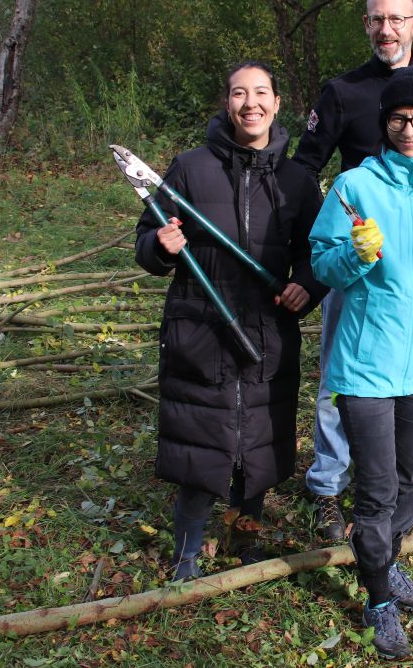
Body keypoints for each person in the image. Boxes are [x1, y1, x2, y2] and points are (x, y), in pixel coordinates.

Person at [309, 66, 413, 659]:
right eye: (399, 119)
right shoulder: (354, 186)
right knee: (377, 491)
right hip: (364, 368)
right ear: (384, 123)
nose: (409, 130)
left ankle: (387, 562)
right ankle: (379, 599)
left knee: (410, 484)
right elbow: (323, 266)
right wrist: (355, 257)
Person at [135, 61, 327, 581]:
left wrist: (307, 285)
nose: (250, 103)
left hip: (268, 327)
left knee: (259, 447)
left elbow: (318, 252)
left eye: (261, 93)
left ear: (277, 103)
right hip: (201, 326)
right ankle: (187, 554)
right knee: (201, 447)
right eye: (239, 94)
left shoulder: (297, 180)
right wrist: (161, 245)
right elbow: (146, 238)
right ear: (227, 103)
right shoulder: (190, 168)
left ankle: (246, 543)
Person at [294, 0, 413, 540]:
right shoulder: (343, 91)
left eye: (396, 19)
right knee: (338, 380)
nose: (385, 29)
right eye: (376, 19)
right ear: (366, 25)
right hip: (358, 267)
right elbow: (304, 172)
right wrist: (317, 263)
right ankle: (328, 485)